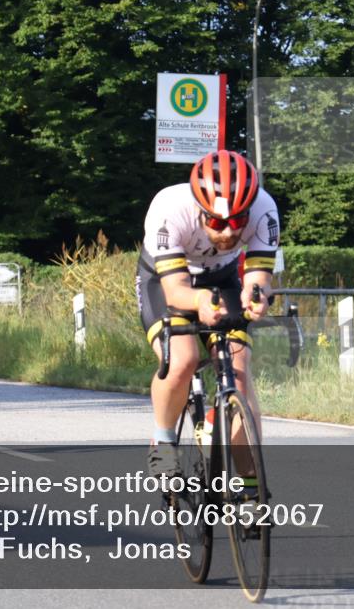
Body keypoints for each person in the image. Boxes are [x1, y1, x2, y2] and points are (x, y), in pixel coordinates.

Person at [136, 150, 279, 480]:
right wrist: (200, 302)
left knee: (239, 376)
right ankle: (164, 441)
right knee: (181, 360)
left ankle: (248, 487)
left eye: (237, 222)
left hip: (222, 278)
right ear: (200, 210)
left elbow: (258, 280)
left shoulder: (264, 210)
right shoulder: (169, 209)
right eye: (216, 222)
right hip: (165, 280)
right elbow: (176, 292)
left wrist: (256, 297)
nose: (228, 233)